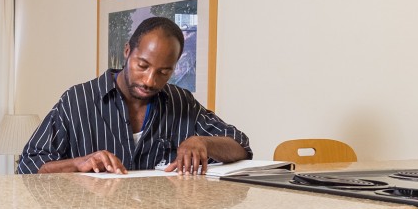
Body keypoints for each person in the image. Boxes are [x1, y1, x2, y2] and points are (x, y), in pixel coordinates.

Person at [18, 17, 251, 175]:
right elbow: (28, 166)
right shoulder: (77, 100)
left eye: (164, 72)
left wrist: (203, 142)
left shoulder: (182, 102)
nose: (150, 81)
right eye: (143, 66)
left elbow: (241, 146)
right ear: (128, 51)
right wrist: (79, 163)